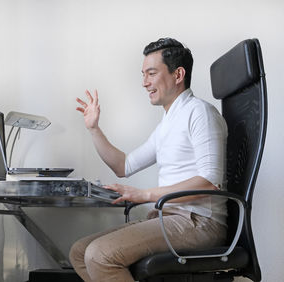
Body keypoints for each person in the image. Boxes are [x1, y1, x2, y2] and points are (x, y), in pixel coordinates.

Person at [69, 38, 228, 282]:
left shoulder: (199, 113)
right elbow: (124, 166)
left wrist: (145, 195)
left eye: (151, 73)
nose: (145, 83)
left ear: (178, 74)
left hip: (198, 222)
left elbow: (209, 183)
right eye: (143, 74)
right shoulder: (167, 124)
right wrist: (94, 129)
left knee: (99, 255)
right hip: (170, 218)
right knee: (80, 252)